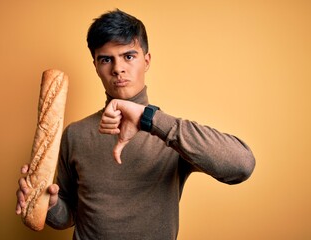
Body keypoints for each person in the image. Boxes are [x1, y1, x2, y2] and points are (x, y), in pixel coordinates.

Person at [16, 9, 255, 239]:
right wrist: (50, 204)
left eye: (129, 56)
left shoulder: (171, 135)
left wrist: (147, 119)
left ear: (147, 60)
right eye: (106, 59)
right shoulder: (75, 134)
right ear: (96, 67)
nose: (118, 68)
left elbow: (241, 165)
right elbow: (69, 218)